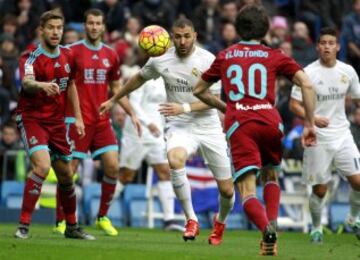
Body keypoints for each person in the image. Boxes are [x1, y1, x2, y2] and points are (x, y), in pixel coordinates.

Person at [100, 18, 235, 246]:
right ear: (171, 37)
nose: (182, 41)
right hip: (180, 125)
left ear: (195, 36)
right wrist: (114, 99)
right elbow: (137, 79)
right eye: (178, 37)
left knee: (228, 191)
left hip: (208, 126)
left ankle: (220, 222)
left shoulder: (209, 60)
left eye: (187, 36)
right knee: (174, 159)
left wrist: (184, 106)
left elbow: (214, 101)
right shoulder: (161, 59)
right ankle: (190, 219)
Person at [193, 5, 316, 256]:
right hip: (271, 120)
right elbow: (306, 83)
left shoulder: (226, 55)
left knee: (247, 191)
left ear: (238, 28)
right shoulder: (274, 55)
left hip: (241, 124)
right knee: (271, 176)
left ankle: (265, 229)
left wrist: (226, 107)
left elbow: (198, 90)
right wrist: (310, 123)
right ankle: (272, 225)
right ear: (265, 29)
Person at [54, 8, 141, 236]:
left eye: (98, 23)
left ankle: (102, 216)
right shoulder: (71, 52)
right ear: (85, 25)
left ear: (103, 26)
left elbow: (115, 87)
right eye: (90, 23)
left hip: (102, 120)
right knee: (69, 171)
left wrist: (131, 112)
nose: (94, 27)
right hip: (76, 120)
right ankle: (61, 219)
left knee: (113, 166)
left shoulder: (111, 55)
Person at [14, 10, 94, 240]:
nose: (56, 32)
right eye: (51, 28)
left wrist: (78, 117)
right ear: (42, 30)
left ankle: (72, 227)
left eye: (59, 28)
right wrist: (42, 85)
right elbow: (27, 83)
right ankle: (24, 225)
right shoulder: (30, 56)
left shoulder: (69, 56)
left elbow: (71, 87)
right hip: (32, 119)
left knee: (67, 176)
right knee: (42, 167)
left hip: (57, 122)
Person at [290, 27, 360, 243]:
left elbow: (358, 100)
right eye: (324, 43)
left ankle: (352, 218)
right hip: (317, 136)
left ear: (337, 46)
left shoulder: (348, 71)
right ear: (318, 47)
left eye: (332, 43)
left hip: (342, 133)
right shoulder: (308, 73)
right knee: (320, 189)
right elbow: (294, 105)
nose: (327, 46)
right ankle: (317, 227)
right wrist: (312, 118)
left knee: (358, 182)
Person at [116, 76, 184, 231]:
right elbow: (133, 104)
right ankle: (102, 213)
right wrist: (148, 123)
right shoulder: (142, 76)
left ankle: (169, 220)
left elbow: (165, 108)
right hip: (137, 132)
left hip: (156, 135)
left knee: (165, 172)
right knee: (126, 176)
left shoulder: (166, 80)